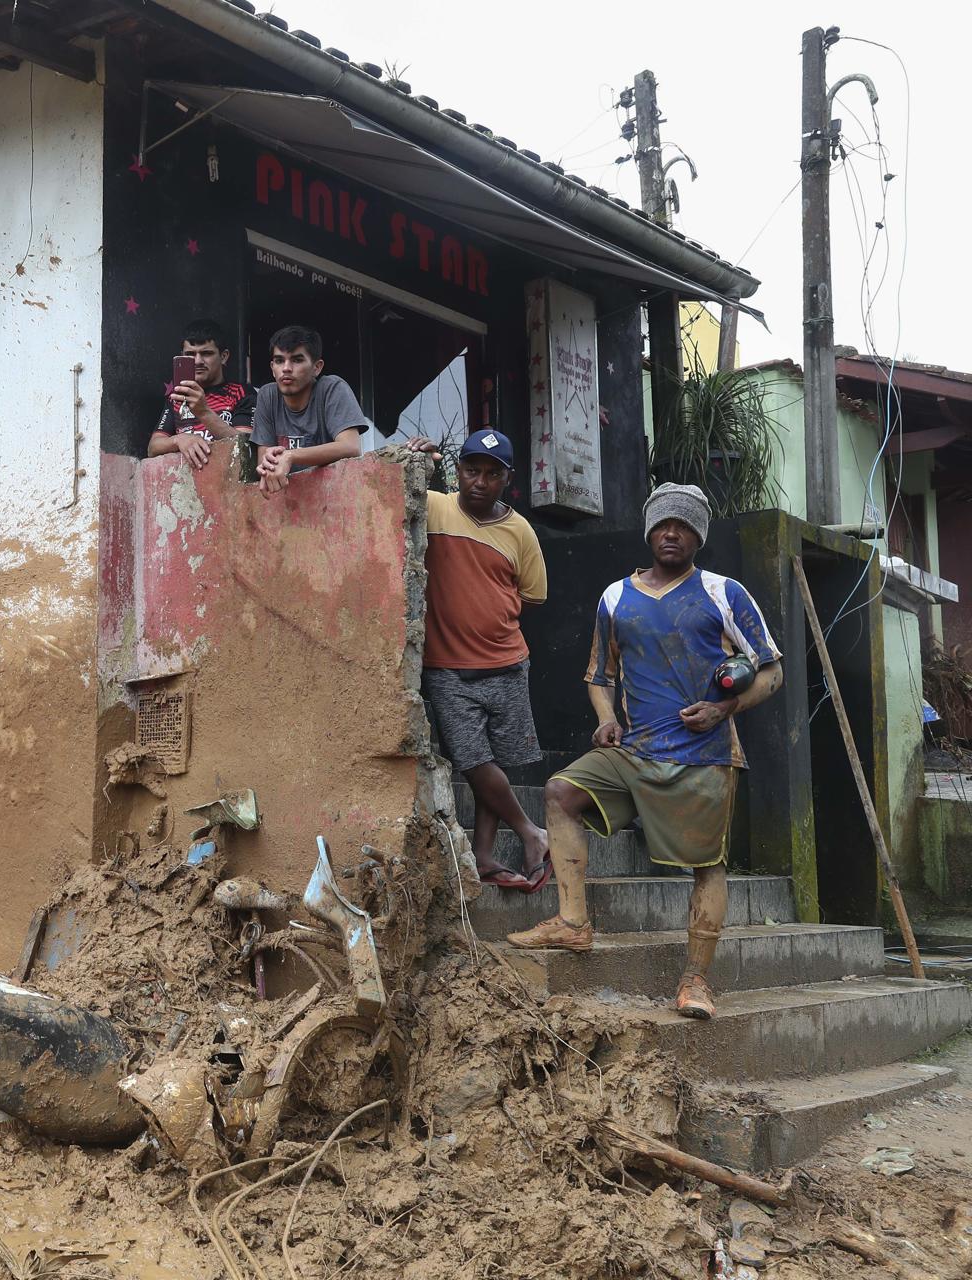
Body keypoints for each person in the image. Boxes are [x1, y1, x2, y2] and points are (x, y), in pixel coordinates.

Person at [507, 483, 783, 1021]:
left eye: (683, 525)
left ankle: (696, 978)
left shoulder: (724, 592)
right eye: (662, 524)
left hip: (703, 756)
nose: (671, 533)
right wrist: (606, 719)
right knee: (561, 791)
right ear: (649, 531)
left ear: (698, 536)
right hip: (633, 751)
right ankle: (572, 923)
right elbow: (599, 676)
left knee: (707, 865)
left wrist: (724, 710)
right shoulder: (615, 597)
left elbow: (771, 670)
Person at [402, 429, 550, 891]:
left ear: (506, 478)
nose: (480, 482)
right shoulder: (435, 506)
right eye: (471, 470)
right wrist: (419, 459)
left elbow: (533, 594)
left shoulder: (520, 530)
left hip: (507, 663)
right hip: (447, 667)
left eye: (492, 473)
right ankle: (532, 832)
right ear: (458, 470)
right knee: (473, 761)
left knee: (496, 763)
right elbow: (387, 492)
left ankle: (484, 856)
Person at [251, 325, 367, 497]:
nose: (286, 368)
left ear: (317, 367)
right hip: (288, 503)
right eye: (279, 360)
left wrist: (291, 456)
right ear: (272, 367)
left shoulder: (332, 388)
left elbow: (350, 447)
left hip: (336, 497)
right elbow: (264, 459)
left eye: (297, 360)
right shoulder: (267, 395)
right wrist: (268, 464)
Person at [146, 318, 255, 469]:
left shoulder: (242, 392)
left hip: (228, 482)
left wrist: (203, 412)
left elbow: (246, 446)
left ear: (224, 356)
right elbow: (153, 448)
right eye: (190, 354)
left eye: (206, 353)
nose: (198, 361)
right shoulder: (177, 396)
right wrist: (179, 440)